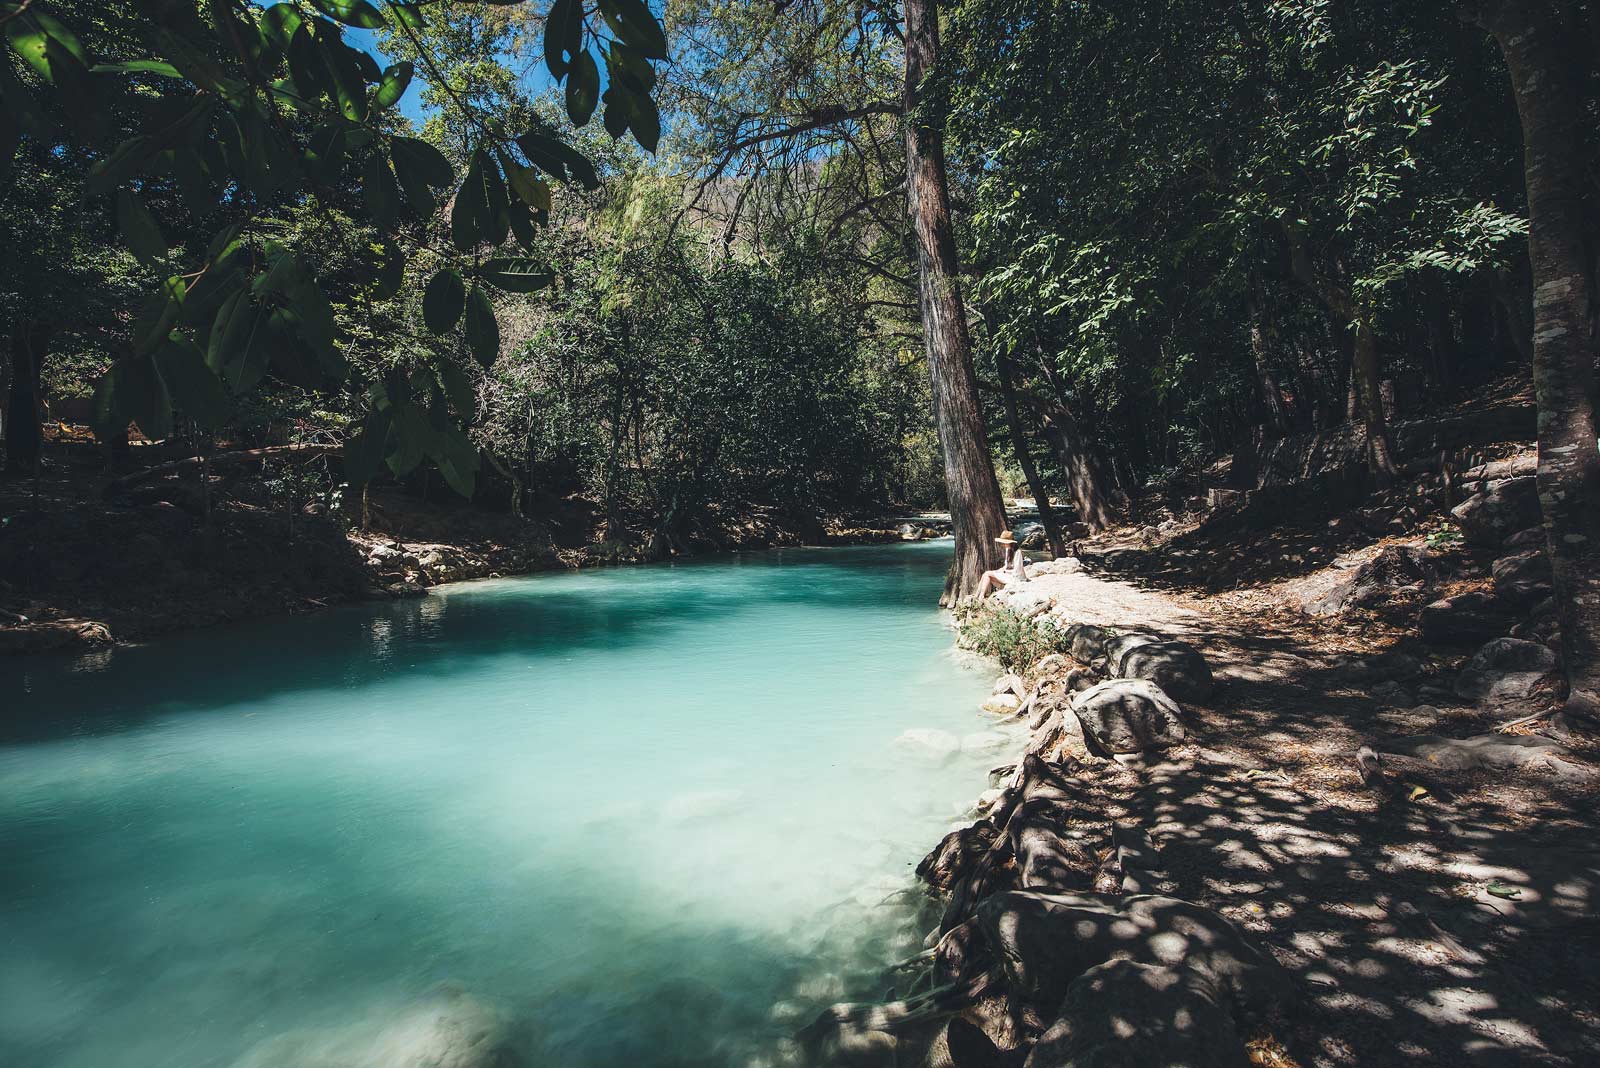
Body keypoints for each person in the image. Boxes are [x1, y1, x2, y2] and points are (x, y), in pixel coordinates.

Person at [977, 529, 1027, 599]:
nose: (1003, 544)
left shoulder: (1017, 552)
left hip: (1016, 578)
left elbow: (1017, 570)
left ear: (1010, 543)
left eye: (1005, 543)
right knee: (986, 574)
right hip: (1008, 574)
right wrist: (1000, 570)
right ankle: (978, 594)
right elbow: (1006, 566)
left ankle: (981, 596)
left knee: (987, 574)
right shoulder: (1008, 550)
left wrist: (1005, 572)